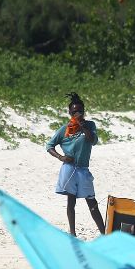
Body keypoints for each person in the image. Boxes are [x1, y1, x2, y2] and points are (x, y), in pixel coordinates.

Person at [46, 92, 103, 237]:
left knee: (91, 201)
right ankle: (72, 234)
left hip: (83, 169)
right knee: (71, 202)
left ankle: (104, 234)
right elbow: (49, 146)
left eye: (80, 111)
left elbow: (93, 141)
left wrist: (82, 126)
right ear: (69, 113)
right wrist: (61, 157)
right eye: (74, 112)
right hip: (69, 168)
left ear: (84, 112)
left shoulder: (90, 125)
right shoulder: (65, 129)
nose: (77, 114)